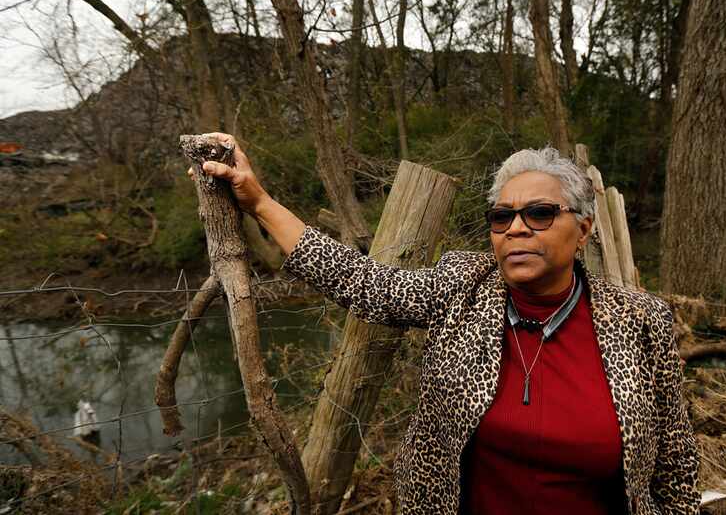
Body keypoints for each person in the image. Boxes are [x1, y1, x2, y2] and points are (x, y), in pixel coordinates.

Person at [193, 133, 700, 515]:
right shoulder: (464, 286)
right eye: (501, 217)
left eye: (540, 213)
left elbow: (676, 465)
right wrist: (259, 202)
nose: (517, 227)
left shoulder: (640, 319)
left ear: (583, 229)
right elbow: (364, 283)